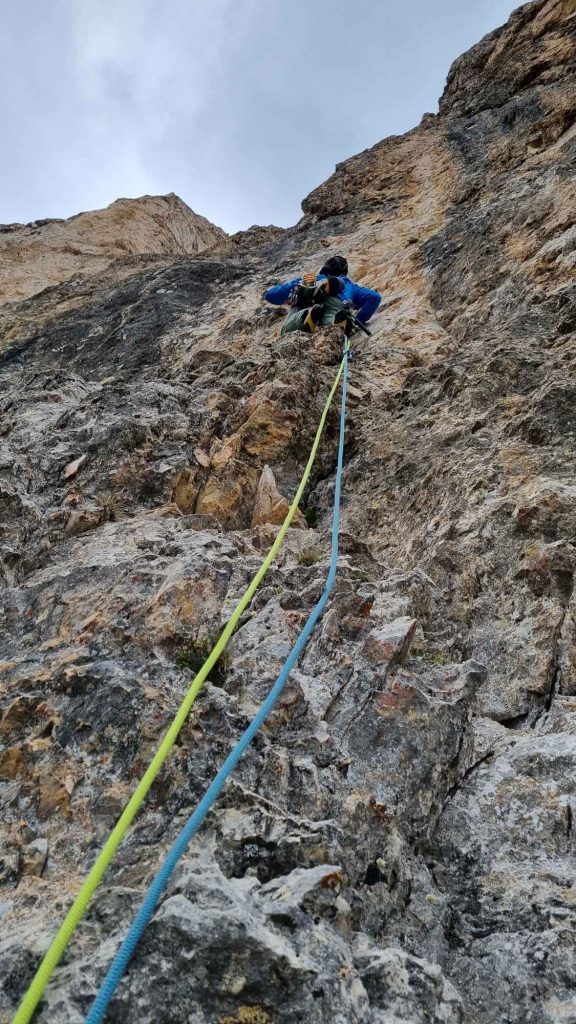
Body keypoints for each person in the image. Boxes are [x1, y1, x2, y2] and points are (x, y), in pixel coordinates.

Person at [263, 255, 381, 336]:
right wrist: (357, 321)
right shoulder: (349, 285)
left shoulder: (312, 278)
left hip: (309, 296)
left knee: (289, 324)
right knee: (332, 317)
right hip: (338, 301)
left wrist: (269, 293)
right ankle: (337, 323)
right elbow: (374, 297)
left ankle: (305, 315)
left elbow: (271, 296)